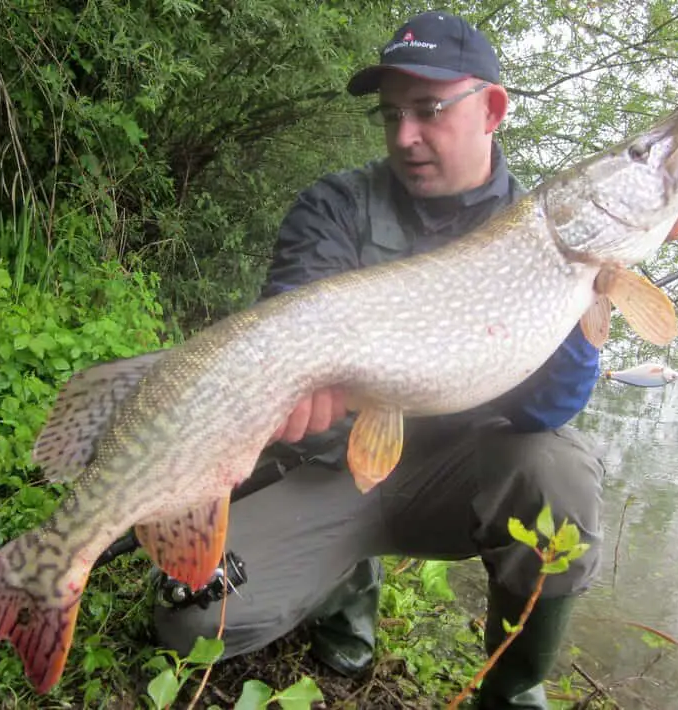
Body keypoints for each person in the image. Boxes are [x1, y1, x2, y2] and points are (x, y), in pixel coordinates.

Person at [153, 12, 606, 709]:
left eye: (428, 111)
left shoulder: (538, 232)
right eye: (391, 114)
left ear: (492, 109)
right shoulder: (336, 205)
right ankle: (344, 580)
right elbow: (292, 322)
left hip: (457, 477)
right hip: (337, 469)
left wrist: (584, 295)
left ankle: (514, 688)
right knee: (187, 621)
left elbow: (545, 409)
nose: (404, 136)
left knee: (558, 474)